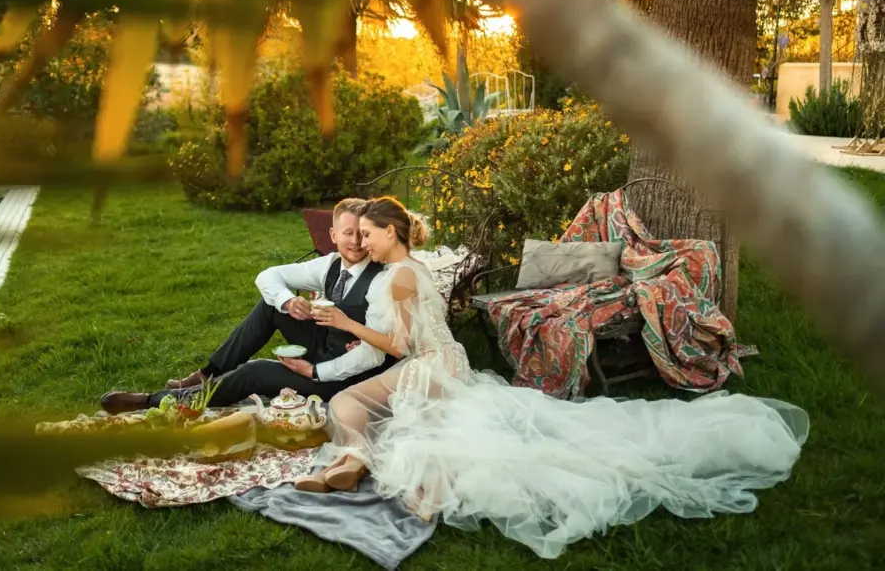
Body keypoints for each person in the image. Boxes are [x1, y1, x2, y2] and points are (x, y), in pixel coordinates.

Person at [294, 196, 810, 560]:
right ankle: (356, 459)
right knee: (417, 421)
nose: (360, 241)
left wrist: (343, 322)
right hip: (445, 362)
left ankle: (357, 457)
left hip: (428, 363)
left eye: (366, 233)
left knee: (349, 408)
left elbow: (403, 345)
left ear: (390, 233)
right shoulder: (409, 271)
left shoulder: (401, 276)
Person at [100, 198, 398, 414]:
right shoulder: (331, 263)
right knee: (272, 305)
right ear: (334, 236)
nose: (357, 242)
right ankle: (206, 373)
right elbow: (269, 275)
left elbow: (372, 355)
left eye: (363, 233)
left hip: (343, 377)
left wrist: (314, 372)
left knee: (254, 371)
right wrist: (288, 300)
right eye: (348, 233)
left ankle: (155, 400)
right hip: (324, 343)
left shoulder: (380, 279)